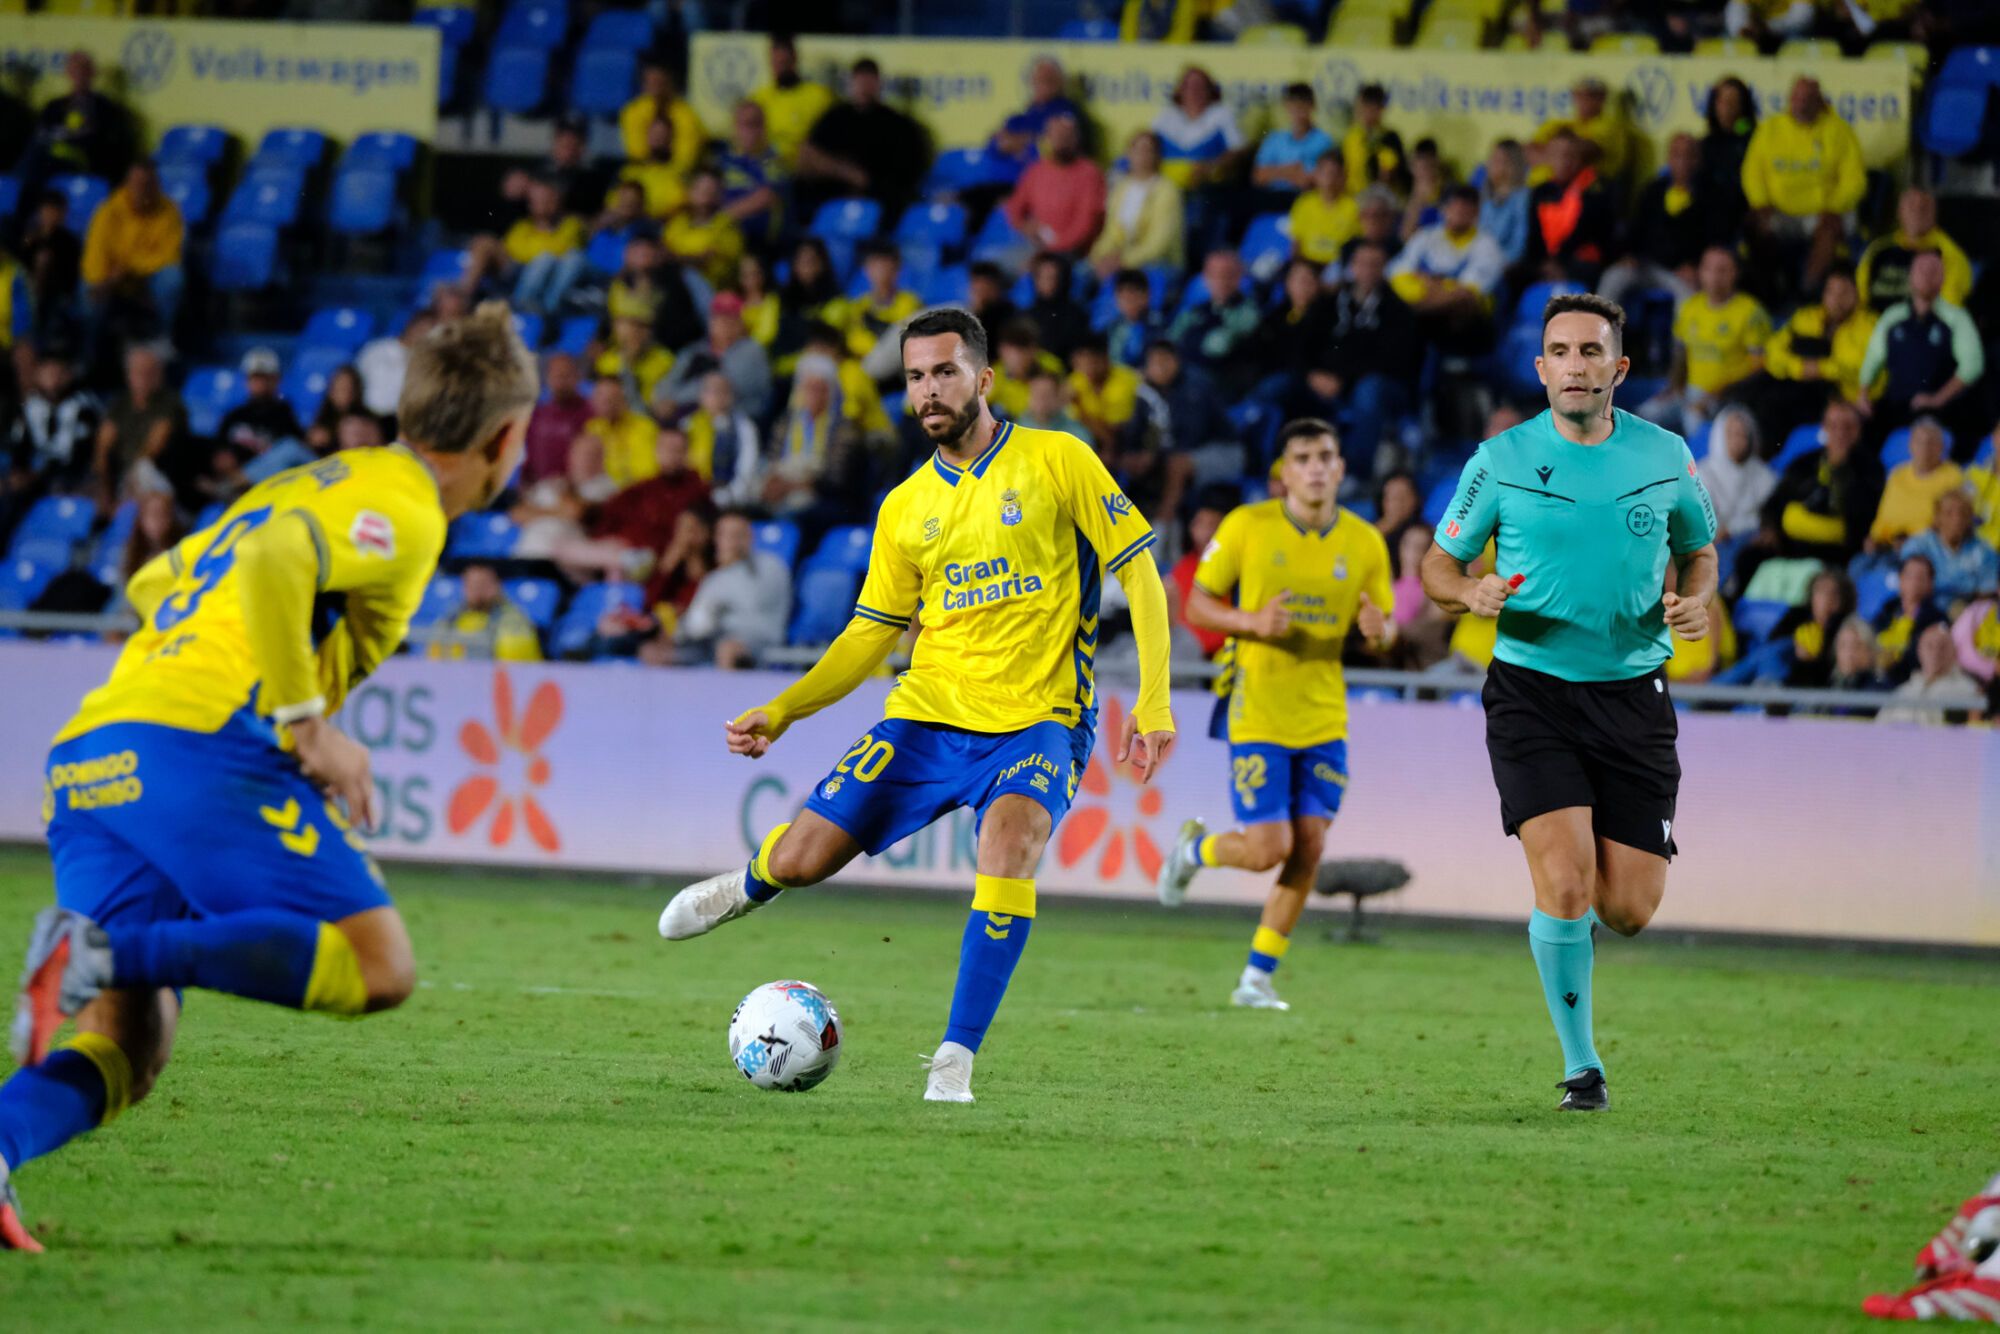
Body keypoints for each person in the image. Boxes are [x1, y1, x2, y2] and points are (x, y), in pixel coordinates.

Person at [0, 305, 537, 1252]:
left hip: (96, 750)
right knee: (380, 967)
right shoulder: (409, 506)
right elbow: (281, 558)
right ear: (505, 436)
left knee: (130, 1043)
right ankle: (97, 955)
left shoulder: (309, 480)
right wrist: (305, 724)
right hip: (196, 749)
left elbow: (158, 582)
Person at [656, 308, 1177, 1104]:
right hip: (927, 716)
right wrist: (787, 707)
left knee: (1010, 847)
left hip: (1038, 720)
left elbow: (1138, 569)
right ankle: (749, 884)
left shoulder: (1057, 459)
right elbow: (869, 634)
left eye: (944, 372)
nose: (928, 391)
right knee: (801, 861)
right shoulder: (904, 507)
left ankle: (954, 1061)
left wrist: (1152, 701)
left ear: (983, 378)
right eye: (914, 377)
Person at [1418, 293, 1719, 1113]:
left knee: (1628, 908)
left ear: (1618, 369)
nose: (1576, 365)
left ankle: (1583, 1027)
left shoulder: (1666, 455)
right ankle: (1582, 1067)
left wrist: (1697, 602)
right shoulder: (1500, 458)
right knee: (1564, 885)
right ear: (1540, 366)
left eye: (1592, 352)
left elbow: (1700, 550)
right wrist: (1468, 592)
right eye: (1561, 351)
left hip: (1633, 697)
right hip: (1531, 693)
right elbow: (1437, 566)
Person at [1154, 420, 1394, 1010]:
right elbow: (1196, 603)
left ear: (1341, 468)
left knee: (1309, 847)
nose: (1315, 467)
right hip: (1257, 710)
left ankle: (1256, 978)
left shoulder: (1365, 543)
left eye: (1326, 457)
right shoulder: (1248, 526)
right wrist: (1253, 622)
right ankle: (1193, 852)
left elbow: (1384, 626)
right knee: (1267, 849)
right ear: (1282, 472)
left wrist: (1378, 631)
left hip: (1323, 717)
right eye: (1303, 458)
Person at [1742, 77, 1865, 296]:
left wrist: (1834, 207)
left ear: (1820, 102)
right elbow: (1751, 171)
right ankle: (1769, 291)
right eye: (1797, 98)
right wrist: (1760, 202)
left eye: (1808, 98)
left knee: (1830, 229)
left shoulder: (1839, 131)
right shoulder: (1770, 129)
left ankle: (1807, 291)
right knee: (1755, 225)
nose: (1801, 103)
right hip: (1779, 210)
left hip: (1823, 212)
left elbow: (1855, 180)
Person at [1731, 267, 1876, 446]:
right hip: (1798, 384)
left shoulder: (1869, 325)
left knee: (1776, 404)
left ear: (1857, 293)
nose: (1836, 299)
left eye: (1844, 292)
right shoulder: (1806, 317)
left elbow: (1859, 367)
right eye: (1831, 291)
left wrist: (1820, 369)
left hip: (1841, 396)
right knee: (1749, 392)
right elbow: (1773, 351)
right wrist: (1799, 368)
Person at [1859, 251, 1987, 451]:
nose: (1927, 275)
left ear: (1943, 278)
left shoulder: (1957, 318)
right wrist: (1863, 395)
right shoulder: (1893, 316)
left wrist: (1937, 399)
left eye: (1933, 270)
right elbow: (1872, 360)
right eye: (1921, 270)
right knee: (1855, 428)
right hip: (1896, 404)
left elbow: (1973, 366)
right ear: (1910, 276)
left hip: (1939, 407)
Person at [1644, 246, 1770, 435]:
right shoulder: (1690, 307)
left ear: (1735, 273)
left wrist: (1720, 391)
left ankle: (1698, 464)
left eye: (1722, 270)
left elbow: (1760, 365)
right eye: (1708, 268)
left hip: (1728, 396)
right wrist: (1674, 387)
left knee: (1693, 420)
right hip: (1688, 391)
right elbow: (1681, 353)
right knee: (1643, 416)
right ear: (1700, 271)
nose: (1714, 276)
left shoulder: (1750, 312)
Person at [1323, 241, 1419, 483]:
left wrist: (1343, 378)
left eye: (1375, 265)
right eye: (1362, 264)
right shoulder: (1331, 303)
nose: (1368, 270)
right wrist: (1313, 375)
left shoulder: (1397, 308)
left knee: (1369, 390)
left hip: (1388, 388)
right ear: (1351, 267)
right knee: (1287, 386)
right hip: (1334, 381)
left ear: (1384, 268)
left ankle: (1356, 475)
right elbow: (1311, 345)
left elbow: (1394, 361)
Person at [795, 57, 929, 217]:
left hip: (878, 200)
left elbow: (905, 173)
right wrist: (847, 173)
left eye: (870, 79)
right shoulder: (834, 118)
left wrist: (866, 182)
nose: (865, 85)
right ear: (852, 82)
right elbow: (807, 154)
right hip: (831, 196)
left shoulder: (897, 124)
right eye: (860, 79)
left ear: (879, 83)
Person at [1760, 398, 1881, 566]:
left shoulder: (1871, 469)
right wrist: (1769, 527)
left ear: (1858, 431)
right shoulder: (1803, 462)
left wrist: (1840, 470)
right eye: (1834, 426)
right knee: (1751, 556)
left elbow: (1861, 521)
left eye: (1847, 427)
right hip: (1789, 544)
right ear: (1824, 428)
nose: (1840, 433)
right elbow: (1775, 501)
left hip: (1834, 552)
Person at [81, 160, 185, 350]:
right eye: (137, 184)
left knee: (172, 278)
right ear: (127, 184)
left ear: (157, 186)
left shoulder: (169, 211)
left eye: (148, 184)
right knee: (89, 292)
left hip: (146, 278)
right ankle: (87, 356)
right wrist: (104, 281)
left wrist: (131, 268)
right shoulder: (108, 211)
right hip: (110, 278)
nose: (143, 190)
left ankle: (159, 345)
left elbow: (170, 256)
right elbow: (94, 256)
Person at [1387, 185, 1504, 350]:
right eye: (1454, 208)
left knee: (1462, 305)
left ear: (1476, 213)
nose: (1458, 214)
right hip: (1423, 309)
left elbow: (1467, 291)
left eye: (1465, 210)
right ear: (1443, 209)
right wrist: (1434, 288)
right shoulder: (1425, 237)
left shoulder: (1487, 245)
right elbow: (1398, 274)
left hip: (1466, 320)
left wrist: (1426, 286)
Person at [1599, 132, 1705, 309]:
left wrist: (1695, 264)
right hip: (1646, 265)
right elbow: (1636, 228)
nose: (1683, 162)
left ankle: (1679, 338)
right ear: (1669, 159)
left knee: (1689, 297)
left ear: (1698, 160)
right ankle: (1603, 336)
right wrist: (1628, 254)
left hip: (1681, 271)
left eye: (1689, 155)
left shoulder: (1710, 194)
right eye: (1676, 155)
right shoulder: (1654, 190)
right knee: (1613, 278)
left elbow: (1713, 236)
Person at [673, 509, 791, 668]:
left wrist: (719, 610)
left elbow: (753, 604)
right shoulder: (714, 578)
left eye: (737, 535)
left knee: (727, 649)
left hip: (757, 640)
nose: (730, 541)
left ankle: (730, 692)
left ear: (749, 538)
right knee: (655, 652)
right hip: (711, 639)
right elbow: (697, 622)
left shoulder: (769, 566)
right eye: (724, 535)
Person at [1003, 112, 1105, 263]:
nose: (1060, 140)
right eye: (1055, 135)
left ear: (1076, 139)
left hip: (1072, 252)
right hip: (1035, 245)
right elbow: (1014, 208)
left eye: (1066, 136)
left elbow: (1085, 226)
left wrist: (1053, 249)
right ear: (1047, 138)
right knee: (990, 263)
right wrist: (1025, 226)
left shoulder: (1089, 173)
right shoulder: (1036, 170)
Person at [94, 342, 185, 507]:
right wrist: (105, 488)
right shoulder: (120, 404)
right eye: (138, 371)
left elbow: (153, 448)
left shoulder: (170, 404)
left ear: (159, 374)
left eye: (149, 372)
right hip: (122, 475)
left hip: (160, 476)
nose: (143, 377)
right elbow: (103, 447)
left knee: (143, 469)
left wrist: (130, 479)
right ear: (128, 374)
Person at [1856, 187, 1974, 313]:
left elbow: (1947, 311)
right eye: (1911, 205)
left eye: (1924, 207)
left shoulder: (1950, 255)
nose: (1918, 212)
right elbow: (1859, 299)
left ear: (1935, 213)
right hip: (1874, 327)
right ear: (1899, 212)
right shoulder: (1878, 250)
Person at [1523, 132, 1616, 287]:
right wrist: (1544, 264)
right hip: (1547, 262)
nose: (1563, 161)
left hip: (1581, 261)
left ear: (1580, 159)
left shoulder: (1597, 189)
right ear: (1548, 158)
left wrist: (1558, 263)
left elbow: (1589, 233)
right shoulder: (1541, 191)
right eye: (1557, 155)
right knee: (1514, 275)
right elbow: (1534, 237)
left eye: (1570, 155)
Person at [1696, 405, 1775, 580]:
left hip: (1752, 547)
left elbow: (1767, 523)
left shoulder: (1765, 476)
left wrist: (1734, 529)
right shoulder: (1703, 474)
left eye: (1743, 434)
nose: (1738, 440)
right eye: (1731, 434)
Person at [216, 348, 309, 485]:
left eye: (265, 378)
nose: (260, 383)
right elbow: (219, 454)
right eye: (255, 377)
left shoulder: (284, 413)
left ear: (276, 380)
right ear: (247, 380)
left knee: (290, 448)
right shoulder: (234, 415)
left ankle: (242, 478)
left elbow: (294, 456)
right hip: (238, 484)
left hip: (274, 484)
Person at [1870, 417, 1963, 552]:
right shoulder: (1897, 474)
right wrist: (1874, 537)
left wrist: (1913, 541)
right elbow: (1882, 516)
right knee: (1857, 564)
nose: (1925, 448)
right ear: (1910, 445)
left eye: (1931, 442)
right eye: (1919, 442)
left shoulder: (1954, 477)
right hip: (1888, 544)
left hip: (1927, 550)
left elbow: (1951, 524)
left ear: (1942, 447)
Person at [1151, 67, 1245, 193]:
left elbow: (1238, 150)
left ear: (1209, 91)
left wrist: (1211, 167)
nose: (1194, 91)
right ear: (1180, 91)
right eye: (1188, 87)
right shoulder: (1167, 116)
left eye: (1199, 87)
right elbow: (1149, 145)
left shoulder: (1221, 114)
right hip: (1168, 183)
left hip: (1207, 184)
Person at [749, 33, 836, 167]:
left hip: (809, 168)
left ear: (795, 59)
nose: (781, 69)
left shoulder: (819, 96)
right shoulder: (758, 99)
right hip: (768, 166)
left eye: (785, 63)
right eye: (777, 63)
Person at [433, 561, 543, 663]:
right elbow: (435, 650)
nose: (476, 590)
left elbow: (515, 658)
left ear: (496, 586)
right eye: (471, 585)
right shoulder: (451, 618)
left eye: (482, 584)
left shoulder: (514, 618)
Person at [1875, 622, 1985, 724]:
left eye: (1943, 647)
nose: (1936, 653)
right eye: (1930, 646)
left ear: (1954, 652)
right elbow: (1878, 730)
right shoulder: (1903, 691)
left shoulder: (1969, 691)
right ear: (1919, 651)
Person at [1904, 489, 1997, 608]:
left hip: (1966, 610)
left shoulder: (1984, 552)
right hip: (1924, 607)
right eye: (1949, 513)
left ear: (1970, 519)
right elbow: (1908, 585)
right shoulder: (1918, 546)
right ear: (1937, 517)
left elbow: (1987, 593)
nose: (1957, 519)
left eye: (1963, 513)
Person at [1529, 76, 1632, 184]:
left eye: (1593, 96)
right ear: (1574, 96)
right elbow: (1528, 152)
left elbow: (1584, 154)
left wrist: (1549, 152)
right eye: (1581, 94)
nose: (1586, 100)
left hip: (1585, 190)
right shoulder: (1557, 123)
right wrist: (1560, 155)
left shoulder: (1609, 126)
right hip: (1541, 188)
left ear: (1603, 98)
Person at [661, 169, 746, 293]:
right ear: (690, 191)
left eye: (711, 189)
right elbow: (663, 252)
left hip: (709, 292)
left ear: (720, 194)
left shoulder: (727, 225)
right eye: (700, 187)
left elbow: (706, 260)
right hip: (674, 287)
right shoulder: (678, 221)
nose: (705, 192)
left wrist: (675, 258)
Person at [1699, 77, 1757, 251]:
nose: (1727, 109)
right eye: (1723, 102)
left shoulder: (1754, 142)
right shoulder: (1705, 145)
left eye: (1734, 102)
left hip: (1743, 213)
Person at [1873, 552, 1947, 684]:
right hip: (1876, 680)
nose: (1914, 582)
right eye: (1909, 576)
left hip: (1913, 683)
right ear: (1900, 580)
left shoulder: (1937, 620)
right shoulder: (1883, 614)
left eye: (1920, 577)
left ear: (1930, 584)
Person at [718, 101, 784, 249]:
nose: (752, 131)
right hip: (724, 240)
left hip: (763, 244)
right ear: (735, 127)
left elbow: (766, 196)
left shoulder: (770, 160)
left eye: (757, 124)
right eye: (746, 125)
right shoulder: (721, 161)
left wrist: (721, 217)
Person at [618, 63, 704, 176]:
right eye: (651, 82)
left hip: (677, 174)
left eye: (659, 82)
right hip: (644, 170)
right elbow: (636, 152)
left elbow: (685, 157)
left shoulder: (686, 114)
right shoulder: (632, 111)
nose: (656, 88)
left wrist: (669, 174)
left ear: (669, 83)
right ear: (644, 85)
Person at [1773, 568, 1855, 687]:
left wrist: (1808, 658)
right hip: (1785, 671)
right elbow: (1773, 641)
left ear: (1843, 600)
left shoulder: (1847, 626)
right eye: (1820, 591)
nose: (1826, 599)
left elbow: (1834, 669)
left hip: (1817, 683)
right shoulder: (1797, 615)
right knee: (1780, 647)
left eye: (1833, 593)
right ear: (1811, 596)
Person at [521, 351, 591, 487]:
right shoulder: (538, 414)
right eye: (557, 375)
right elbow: (530, 455)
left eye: (566, 375)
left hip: (578, 489)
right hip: (541, 489)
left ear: (577, 377)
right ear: (548, 379)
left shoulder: (590, 414)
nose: (561, 381)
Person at [1252, 83, 1334, 196]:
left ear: (1313, 106)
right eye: (1294, 106)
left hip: (1304, 200)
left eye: (1303, 106)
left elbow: (1312, 180)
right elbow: (1258, 176)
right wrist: (1289, 171)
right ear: (1286, 106)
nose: (1298, 111)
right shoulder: (1274, 139)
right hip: (1271, 200)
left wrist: (1275, 172)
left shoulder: (1324, 142)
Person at [1068, 334, 1140, 456]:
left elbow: (1113, 436)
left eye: (1093, 363)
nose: (1088, 369)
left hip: (1130, 444)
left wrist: (1080, 409)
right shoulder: (1076, 381)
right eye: (1083, 364)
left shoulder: (1126, 381)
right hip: (1093, 444)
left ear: (1106, 359)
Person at [582, 378, 660, 489]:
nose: (608, 404)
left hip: (639, 489)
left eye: (612, 399)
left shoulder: (645, 427)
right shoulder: (591, 430)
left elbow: (649, 469)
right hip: (601, 491)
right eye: (602, 399)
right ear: (594, 401)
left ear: (623, 400)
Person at [1288, 151, 1359, 270]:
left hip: (1338, 266)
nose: (1329, 178)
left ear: (1343, 176)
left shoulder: (1354, 206)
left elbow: (1356, 245)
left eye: (1334, 173)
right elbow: (1296, 242)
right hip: (1307, 264)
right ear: (1316, 174)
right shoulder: (1304, 202)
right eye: (1324, 173)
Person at [1341, 83, 1407, 194]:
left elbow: (1390, 175)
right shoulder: (1351, 137)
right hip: (1353, 197)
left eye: (1375, 108)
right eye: (1366, 107)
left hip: (1381, 199)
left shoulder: (1390, 138)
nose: (1370, 113)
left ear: (1382, 109)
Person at [1479, 139, 1530, 269]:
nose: (1490, 164)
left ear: (1513, 166)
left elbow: (1519, 245)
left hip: (1504, 266)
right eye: (1491, 159)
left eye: (1498, 160)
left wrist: (1494, 264)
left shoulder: (1522, 199)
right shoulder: (1483, 196)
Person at [304, 366, 368, 458]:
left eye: (348, 387)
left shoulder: (366, 420)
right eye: (340, 387)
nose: (344, 392)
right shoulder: (323, 417)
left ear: (356, 390)